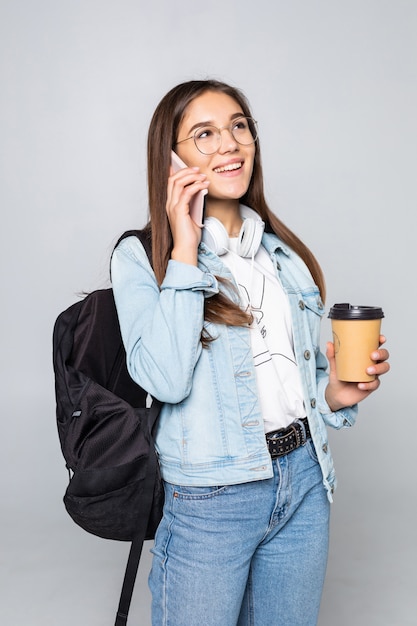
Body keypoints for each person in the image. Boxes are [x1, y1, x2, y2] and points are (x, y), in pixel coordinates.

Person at [111, 79, 390, 626]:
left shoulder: (281, 254)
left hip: (305, 479)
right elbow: (165, 380)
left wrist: (337, 392)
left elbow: (300, 383)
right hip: (213, 498)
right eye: (204, 134)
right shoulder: (144, 258)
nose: (230, 144)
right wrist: (186, 247)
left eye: (239, 126)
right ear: (171, 159)